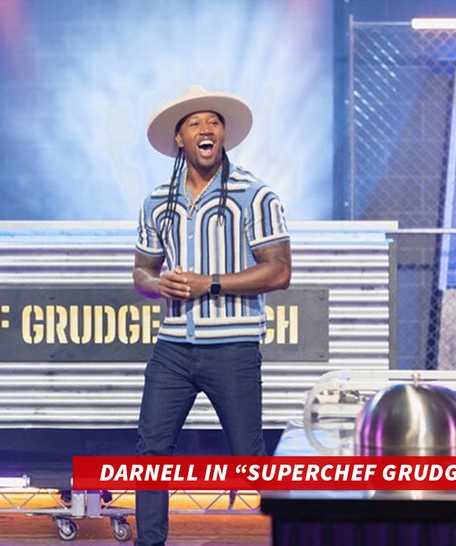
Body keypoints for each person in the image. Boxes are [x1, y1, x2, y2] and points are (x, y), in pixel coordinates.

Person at [132, 85, 292, 546]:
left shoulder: (255, 195)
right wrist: (156, 284)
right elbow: (142, 271)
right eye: (195, 123)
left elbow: (280, 271)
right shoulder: (157, 201)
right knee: (151, 452)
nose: (206, 129)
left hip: (233, 347)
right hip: (173, 348)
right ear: (179, 138)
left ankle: (303, 529)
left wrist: (212, 283)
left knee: (249, 461)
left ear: (223, 135)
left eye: (214, 122)